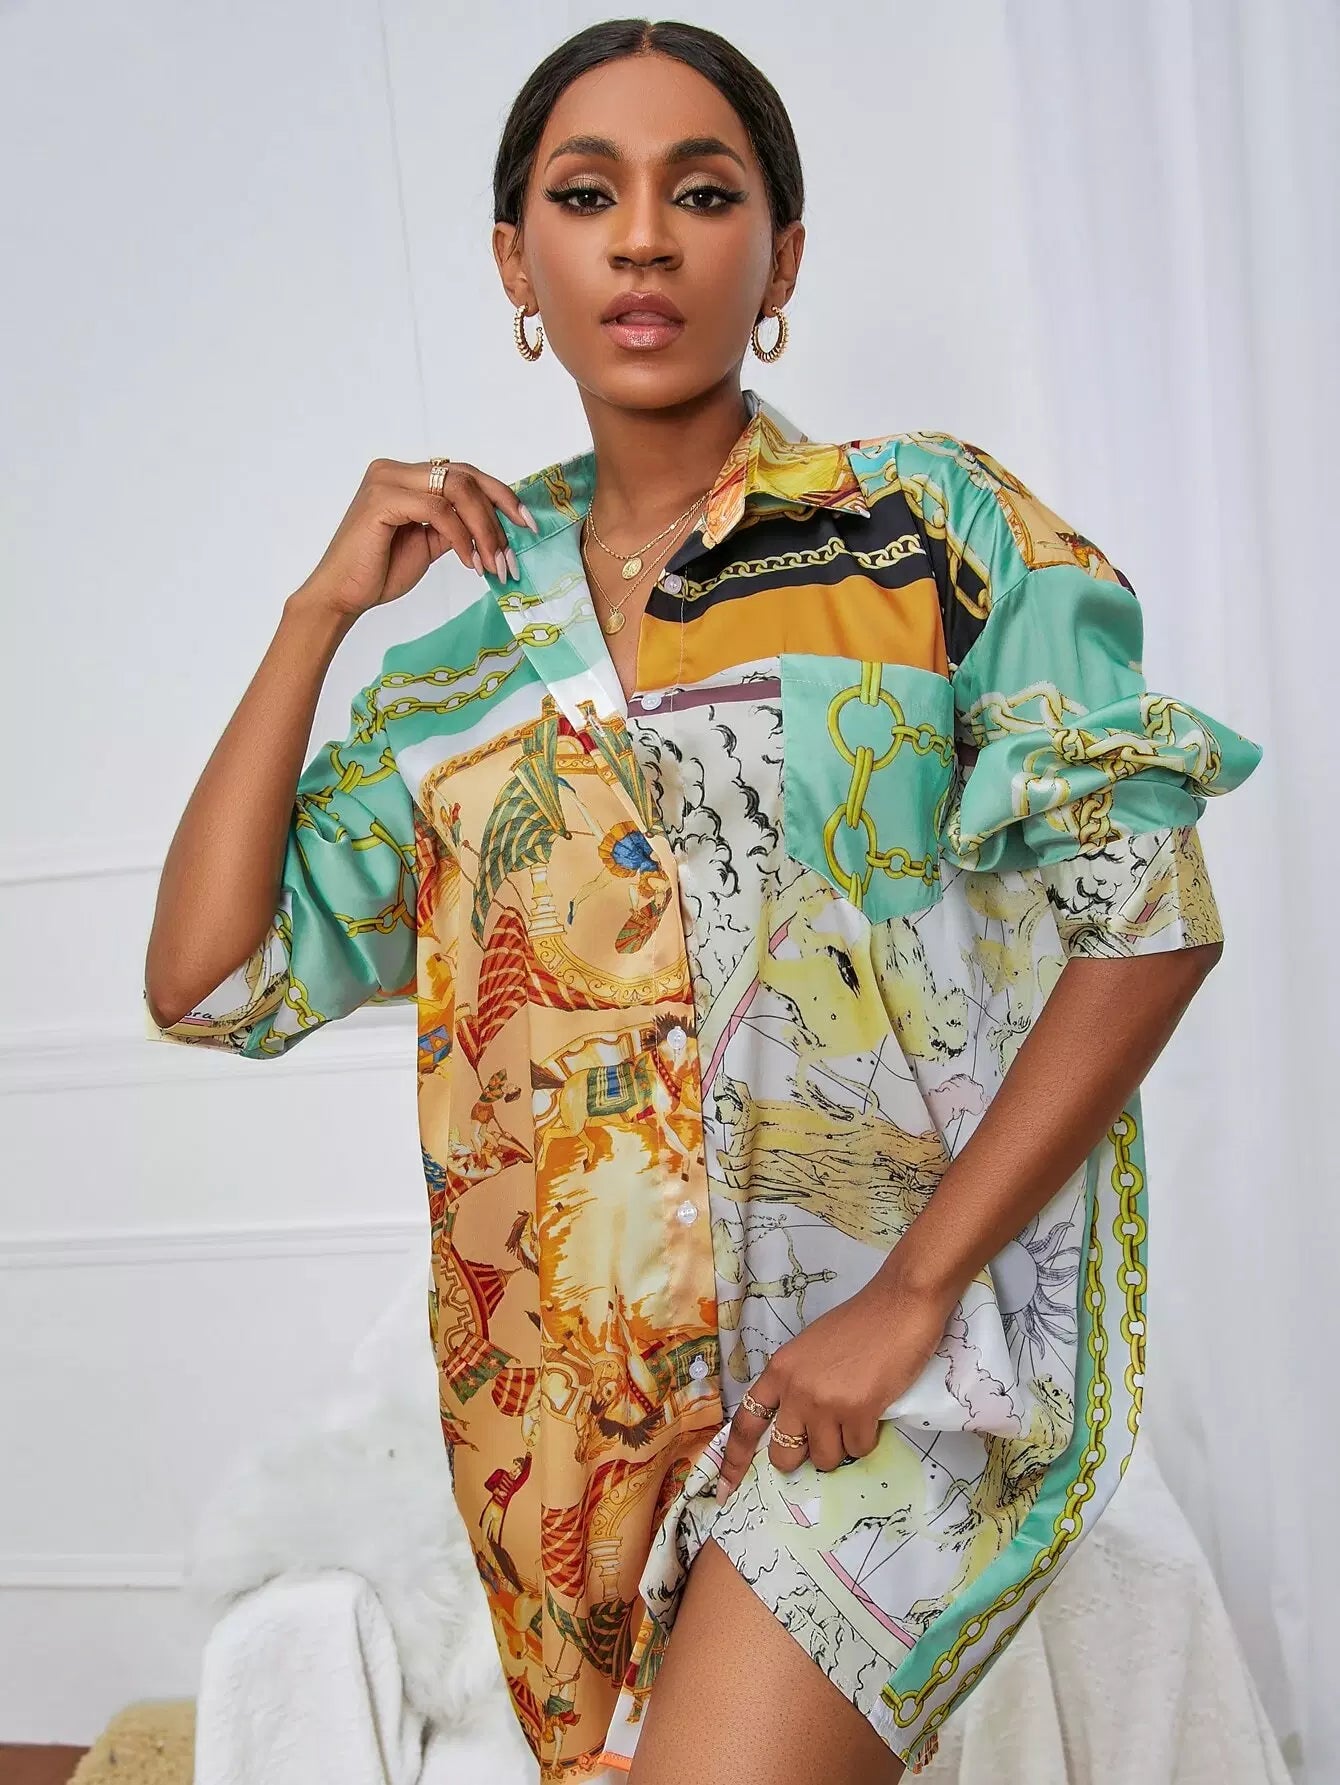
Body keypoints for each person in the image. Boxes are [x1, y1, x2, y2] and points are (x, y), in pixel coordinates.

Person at [142, 19, 1264, 1785]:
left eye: (706, 192)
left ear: (783, 257)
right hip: (568, 1435)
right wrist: (315, 615)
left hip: (895, 1368)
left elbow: (1155, 912)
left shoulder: (929, 529)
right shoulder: (452, 671)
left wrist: (911, 1295)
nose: (646, 238)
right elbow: (213, 980)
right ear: (516, 261)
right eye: (587, 196)